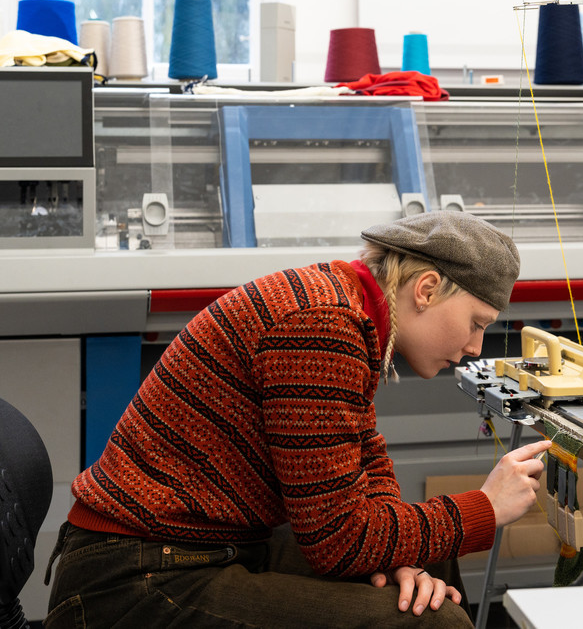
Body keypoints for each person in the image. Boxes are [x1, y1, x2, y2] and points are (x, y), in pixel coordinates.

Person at [45, 210, 551, 628]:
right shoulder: (321, 325)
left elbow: (366, 457)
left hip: (195, 549)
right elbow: (338, 541)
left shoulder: (348, 308)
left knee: (428, 561)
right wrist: (484, 507)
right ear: (426, 289)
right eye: (475, 324)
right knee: (434, 624)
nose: (473, 348)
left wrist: (400, 558)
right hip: (133, 582)